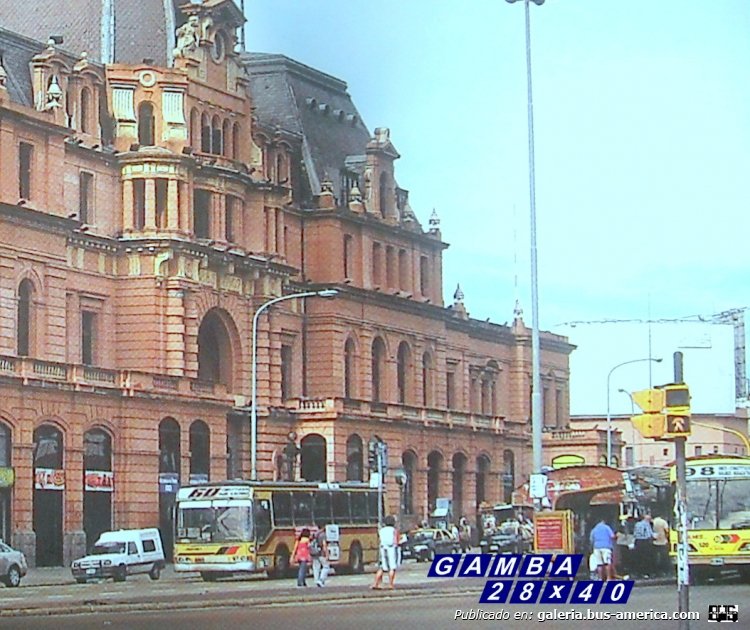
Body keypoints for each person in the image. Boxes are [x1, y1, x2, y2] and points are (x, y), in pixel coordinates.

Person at [372, 515, 399, 590]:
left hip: (383, 548)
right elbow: (396, 540)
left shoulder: (382, 530)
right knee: (392, 567)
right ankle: (391, 584)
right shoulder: (394, 530)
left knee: (382, 567)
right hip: (392, 548)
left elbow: (379, 539)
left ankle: (376, 583)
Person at [633, 513, 654, 578]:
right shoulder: (646, 524)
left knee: (638, 558)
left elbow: (635, 533)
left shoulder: (637, 524)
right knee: (646, 558)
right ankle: (645, 573)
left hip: (638, 541)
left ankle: (638, 572)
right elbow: (649, 534)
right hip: (645, 542)